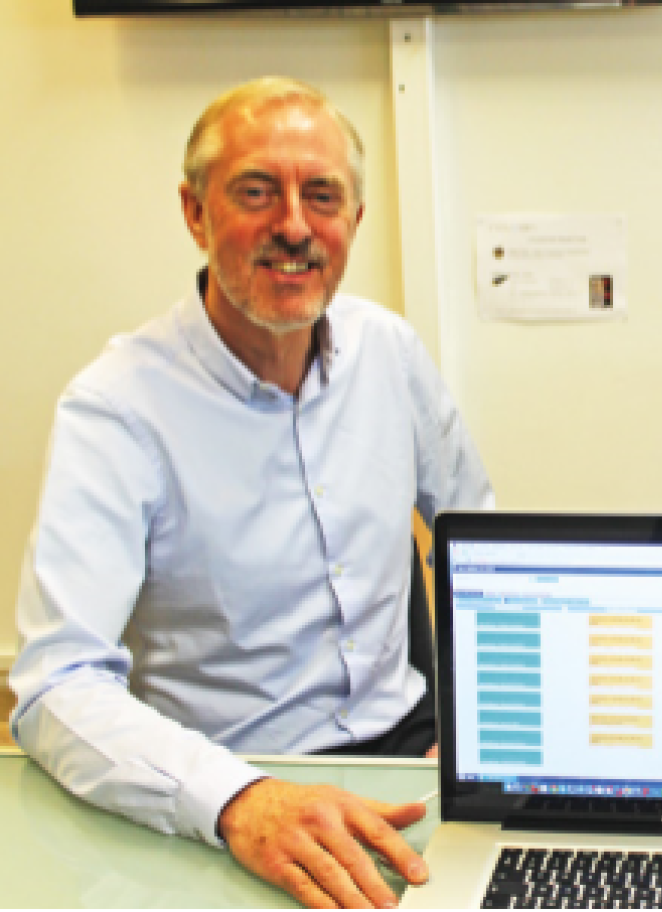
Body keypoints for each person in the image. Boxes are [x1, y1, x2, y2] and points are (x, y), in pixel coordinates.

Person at [9, 77, 493, 909]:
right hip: (227, 782)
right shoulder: (118, 407)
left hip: (409, 763)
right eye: (257, 192)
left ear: (354, 222)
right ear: (195, 213)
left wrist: (477, 724)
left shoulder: (390, 353)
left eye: (322, 196)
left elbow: (483, 542)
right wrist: (237, 799)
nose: (295, 227)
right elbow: (55, 683)